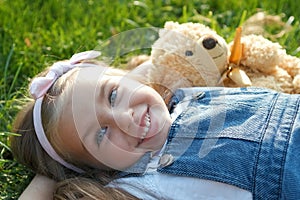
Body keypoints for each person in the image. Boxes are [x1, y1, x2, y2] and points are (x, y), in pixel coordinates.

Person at [11, 50, 300, 200]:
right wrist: (51, 172)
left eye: (112, 95)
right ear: (100, 169)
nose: (124, 118)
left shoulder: (176, 94)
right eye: (101, 134)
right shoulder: (138, 185)